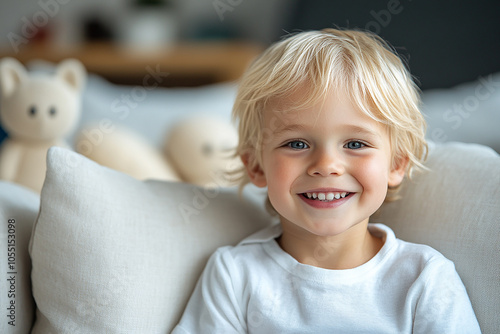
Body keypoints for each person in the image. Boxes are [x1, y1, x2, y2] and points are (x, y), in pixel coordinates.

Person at [172, 28, 480, 333]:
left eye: (355, 144)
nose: (326, 166)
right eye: (297, 144)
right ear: (256, 166)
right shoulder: (234, 275)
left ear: (396, 163)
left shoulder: (424, 278)